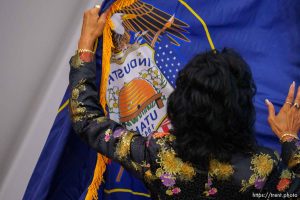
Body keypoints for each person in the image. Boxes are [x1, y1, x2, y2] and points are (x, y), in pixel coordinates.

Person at [69, 5, 300, 199]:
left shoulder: (157, 157)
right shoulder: (264, 169)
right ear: (243, 112)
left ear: (179, 108)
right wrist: (288, 139)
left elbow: (86, 120)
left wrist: (86, 44)